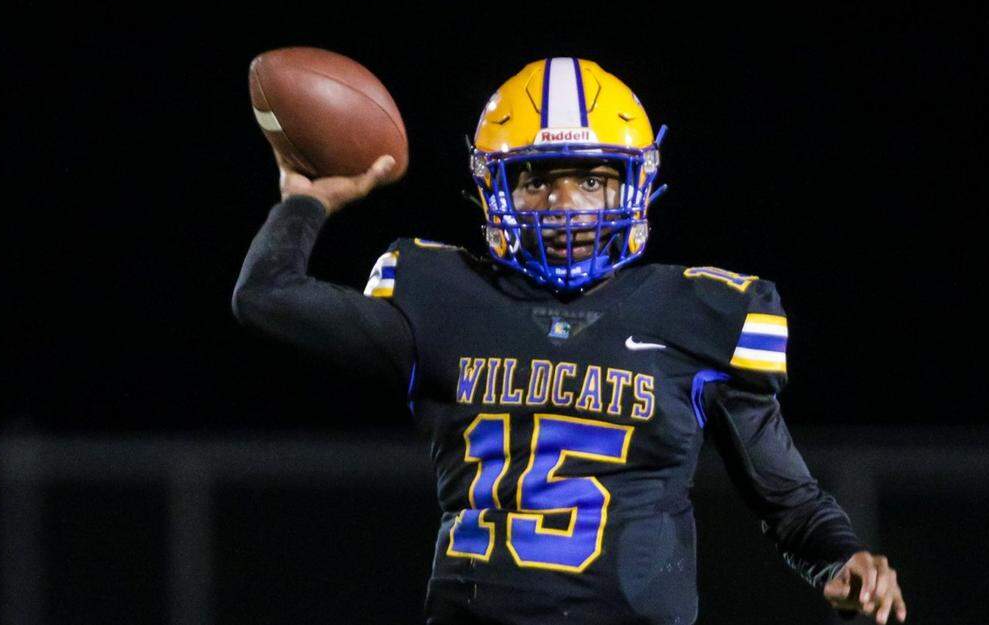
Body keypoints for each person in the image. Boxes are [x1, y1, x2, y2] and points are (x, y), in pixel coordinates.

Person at [232, 57, 907, 625]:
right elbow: (266, 298)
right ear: (493, 186)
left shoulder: (700, 313)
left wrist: (840, 555)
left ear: (636, 180)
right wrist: (306, 199)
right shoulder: (441, 294)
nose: (564, 205)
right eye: (536, 180)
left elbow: (786, 495)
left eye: (590, 179)